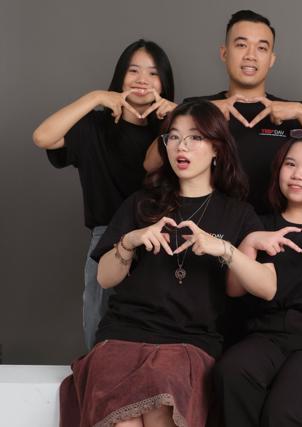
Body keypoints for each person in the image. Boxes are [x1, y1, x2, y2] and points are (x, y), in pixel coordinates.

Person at [58, 100, 271, 427]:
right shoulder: (141, 203)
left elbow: (267, 287)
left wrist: (224, 248)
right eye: (173, 137)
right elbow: (105, 278)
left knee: (162, 407)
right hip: (123, 335)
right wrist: (130, 240)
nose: (181, 146)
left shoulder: (238, 213)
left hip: (189, 342)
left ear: (217, 148)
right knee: (123, 421)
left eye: (195, 137)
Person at [32, 39, 176, 348]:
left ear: (164, 83)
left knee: (160, 332)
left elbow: (215, 166)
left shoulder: (173, 132)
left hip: (161, 238)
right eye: (133, 70)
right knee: (100, 327)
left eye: (153, 73)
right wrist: (96, 97)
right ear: (120, 77)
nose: (142, 79)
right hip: (106, 238)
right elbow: (42, 136)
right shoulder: (95, 127)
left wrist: (179, 119)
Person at [145, 10, 302, 215]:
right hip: (208, 225)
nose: (251, 56)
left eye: (261, 48)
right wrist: (205, 113)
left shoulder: (293, 112)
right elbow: (151, 164)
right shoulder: (196, 108)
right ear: (224, 53)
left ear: (271, 59)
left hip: (274, 230)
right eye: (241, 45)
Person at [214, 130, 302, 426]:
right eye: (290, 164)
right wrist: (250, 242)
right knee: (232, 371)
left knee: (282, 411)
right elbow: (234, 290)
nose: (297, 175)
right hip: (265, 334)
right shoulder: (258, 224)